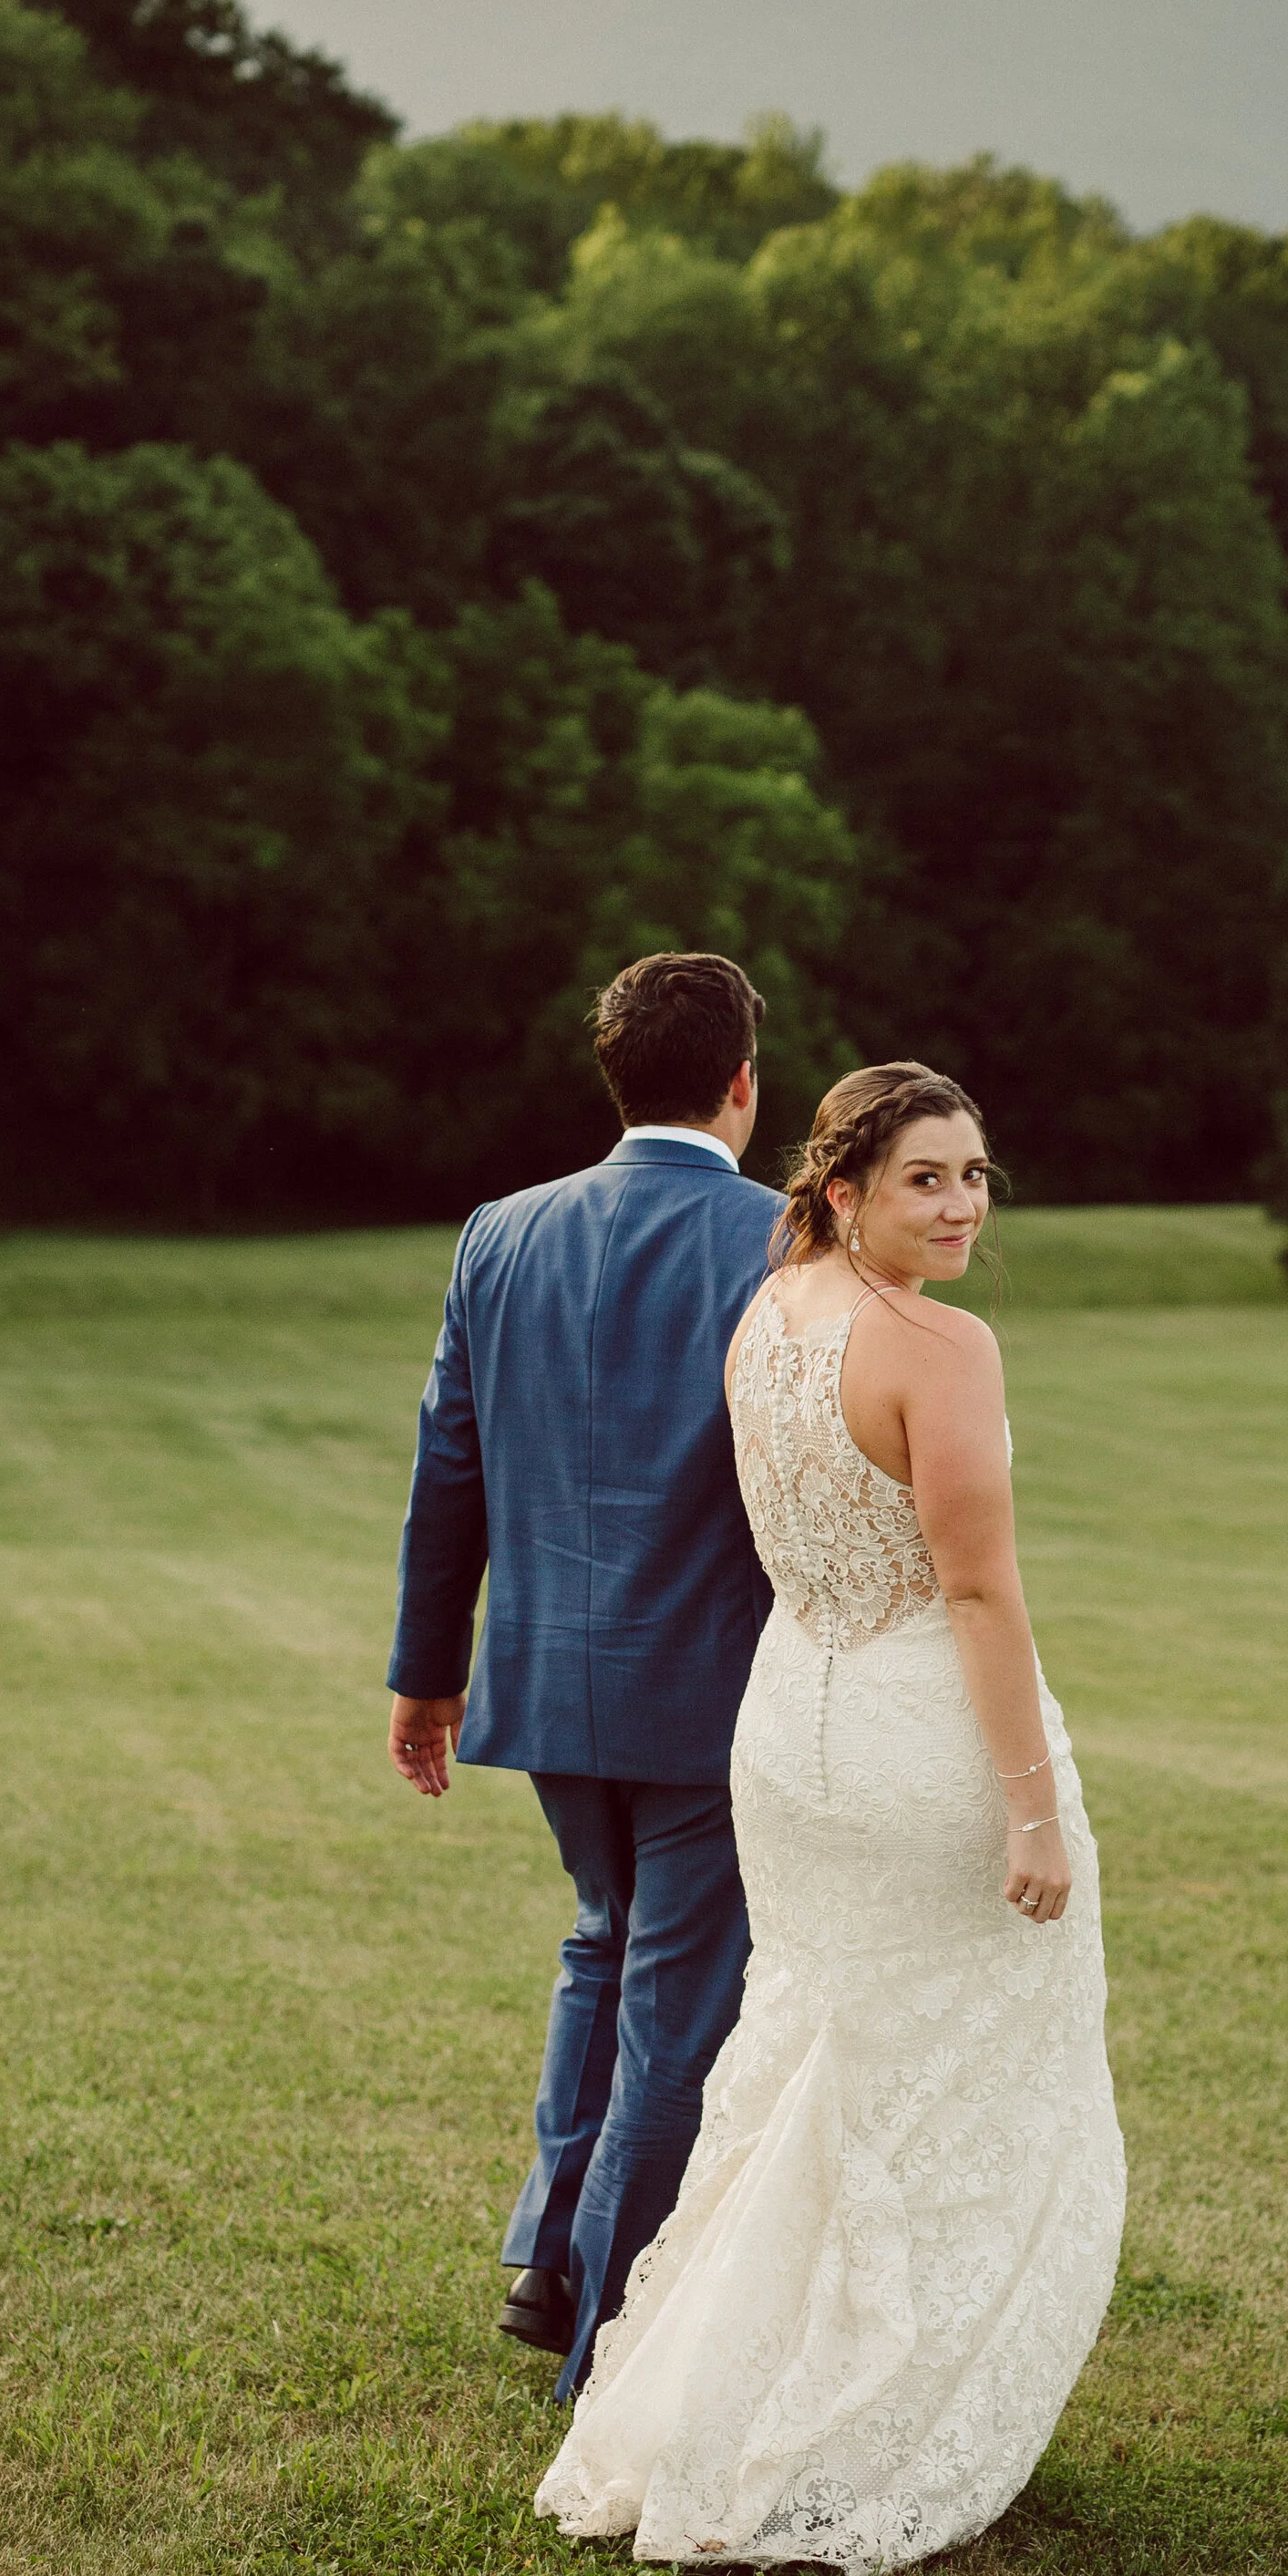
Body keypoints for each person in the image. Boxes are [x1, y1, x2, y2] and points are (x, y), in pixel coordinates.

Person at [535, 1062, 1126, 2576]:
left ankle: (717, 2411)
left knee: (812, 2069)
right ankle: (864, 2428)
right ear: (846, 1184)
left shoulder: (775, 1303)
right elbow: (981, 1590)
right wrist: (1032, 1808)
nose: (963, 1205)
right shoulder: (942, 1346)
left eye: (979, 1174)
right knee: (947, 2083)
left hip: (789, 1730)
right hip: (917, 1740)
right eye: (927, 1175)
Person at [386, 950, 783, 2395]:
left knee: (602, 1941)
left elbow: (451, 1460)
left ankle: (546, 2252)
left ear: (613, 1077)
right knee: (676, 1995)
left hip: (550, 1680)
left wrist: (427, 1673)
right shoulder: (785, 1242)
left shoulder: (501, 1230)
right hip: (713, 1691)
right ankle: (608, 2333)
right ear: (744, 1084)